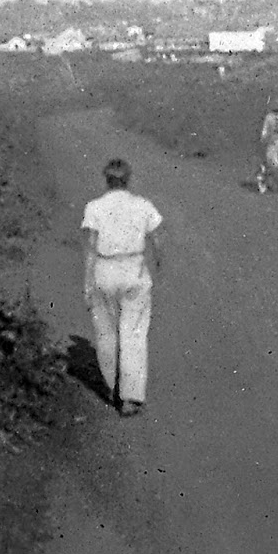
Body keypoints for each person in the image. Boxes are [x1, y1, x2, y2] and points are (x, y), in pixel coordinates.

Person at [81, 158, 164, 417]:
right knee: (134, 333)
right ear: (128, 179)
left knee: (106, 332)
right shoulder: (143, 206)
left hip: (105, 270)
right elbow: (157, 241)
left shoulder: (95, 207)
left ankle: (110, 386)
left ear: (107, 180)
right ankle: (131, 395)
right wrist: (155, 266)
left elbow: (91, 248)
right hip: (133, 269)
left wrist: (87, 282)